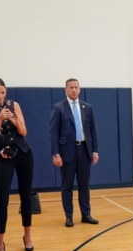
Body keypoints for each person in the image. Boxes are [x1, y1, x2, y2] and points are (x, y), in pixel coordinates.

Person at [0, 77, 34, 251]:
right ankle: (0, 242)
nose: (0, 96)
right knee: (2, 199)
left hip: (23, 152)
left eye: (3, 92)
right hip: (4, 154)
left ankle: (27, 236)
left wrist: (13, 119)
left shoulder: (14, 104)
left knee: (26, 195)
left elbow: (23, 132)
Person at [49, 78, 99, 227]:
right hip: (67, 152)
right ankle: (69, 216)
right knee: (67, 186)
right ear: (66, 89)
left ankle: (86, 214)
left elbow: (92, 132)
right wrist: (55, 153)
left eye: (76, 87)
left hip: (84, 150)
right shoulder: (58, 108)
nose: (73, 90)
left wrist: (95, 150)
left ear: (80, 89)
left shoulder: (87, 107)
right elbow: (53, 133)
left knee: (84, 184)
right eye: (70, 87)